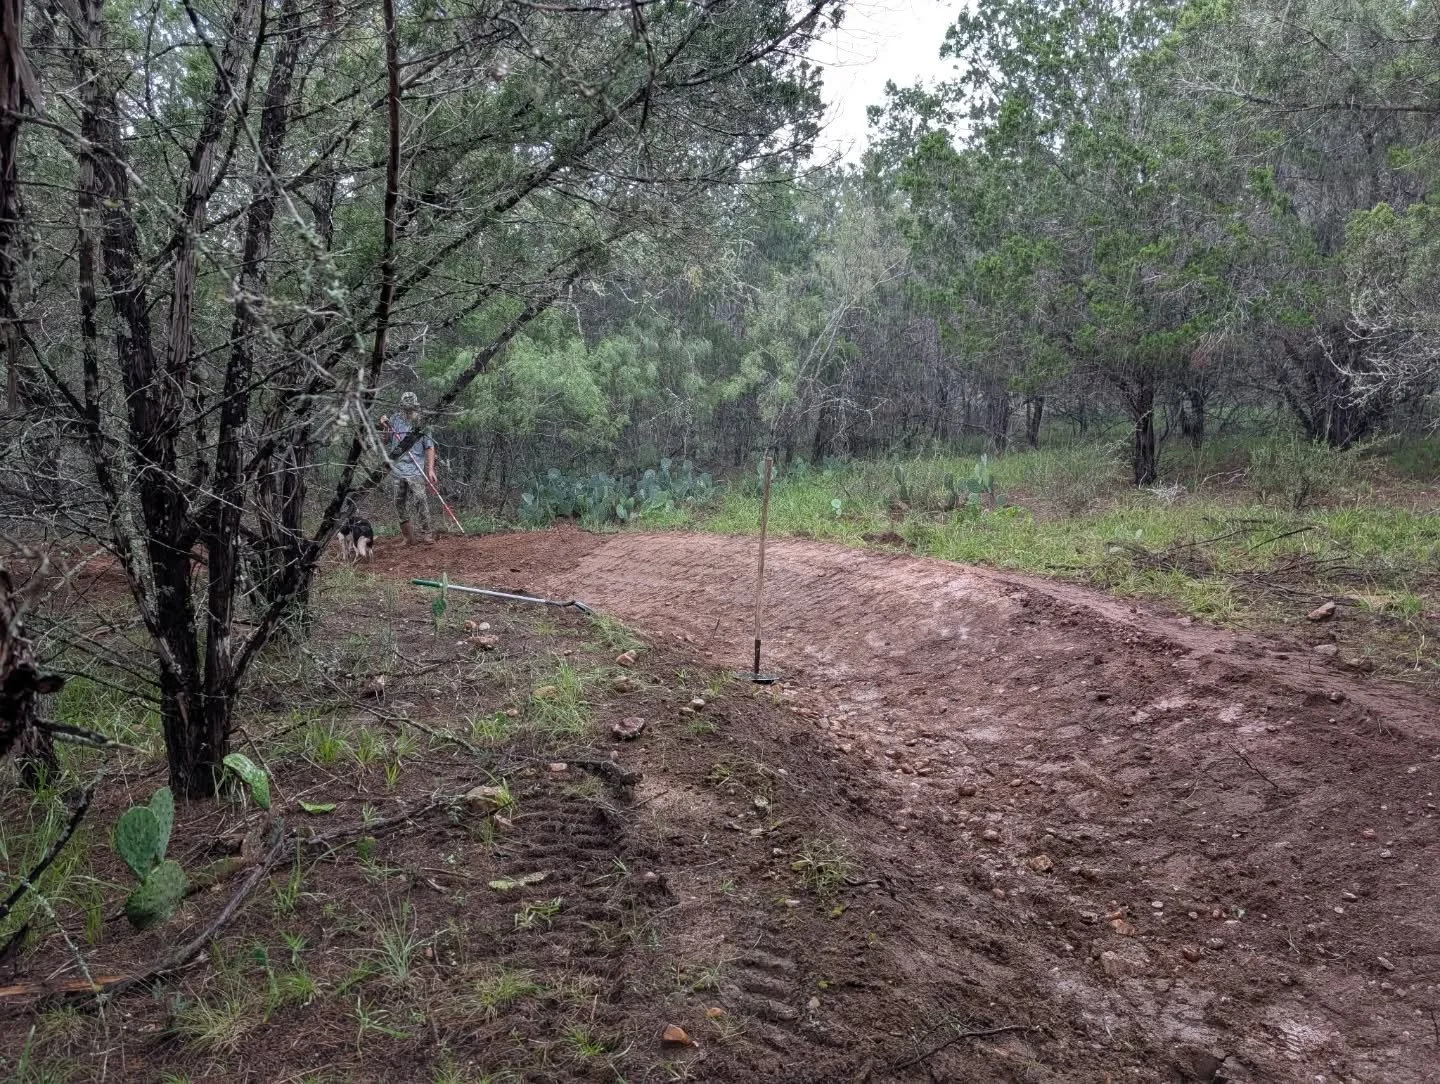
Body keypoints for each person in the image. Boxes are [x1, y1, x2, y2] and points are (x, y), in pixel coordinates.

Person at [379, 391, 437, 545]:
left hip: (415, 469)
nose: (408, 410)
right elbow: (385, 440)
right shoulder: (394, 419)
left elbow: (430, 447)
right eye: (406, 407)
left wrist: (430, 469)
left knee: (420, 499)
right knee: (399, 502)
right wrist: (385, 426)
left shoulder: (422, 424)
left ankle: (427, 534)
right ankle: (408, 537)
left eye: (411, 407)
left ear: (416, 406)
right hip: (398, 469)